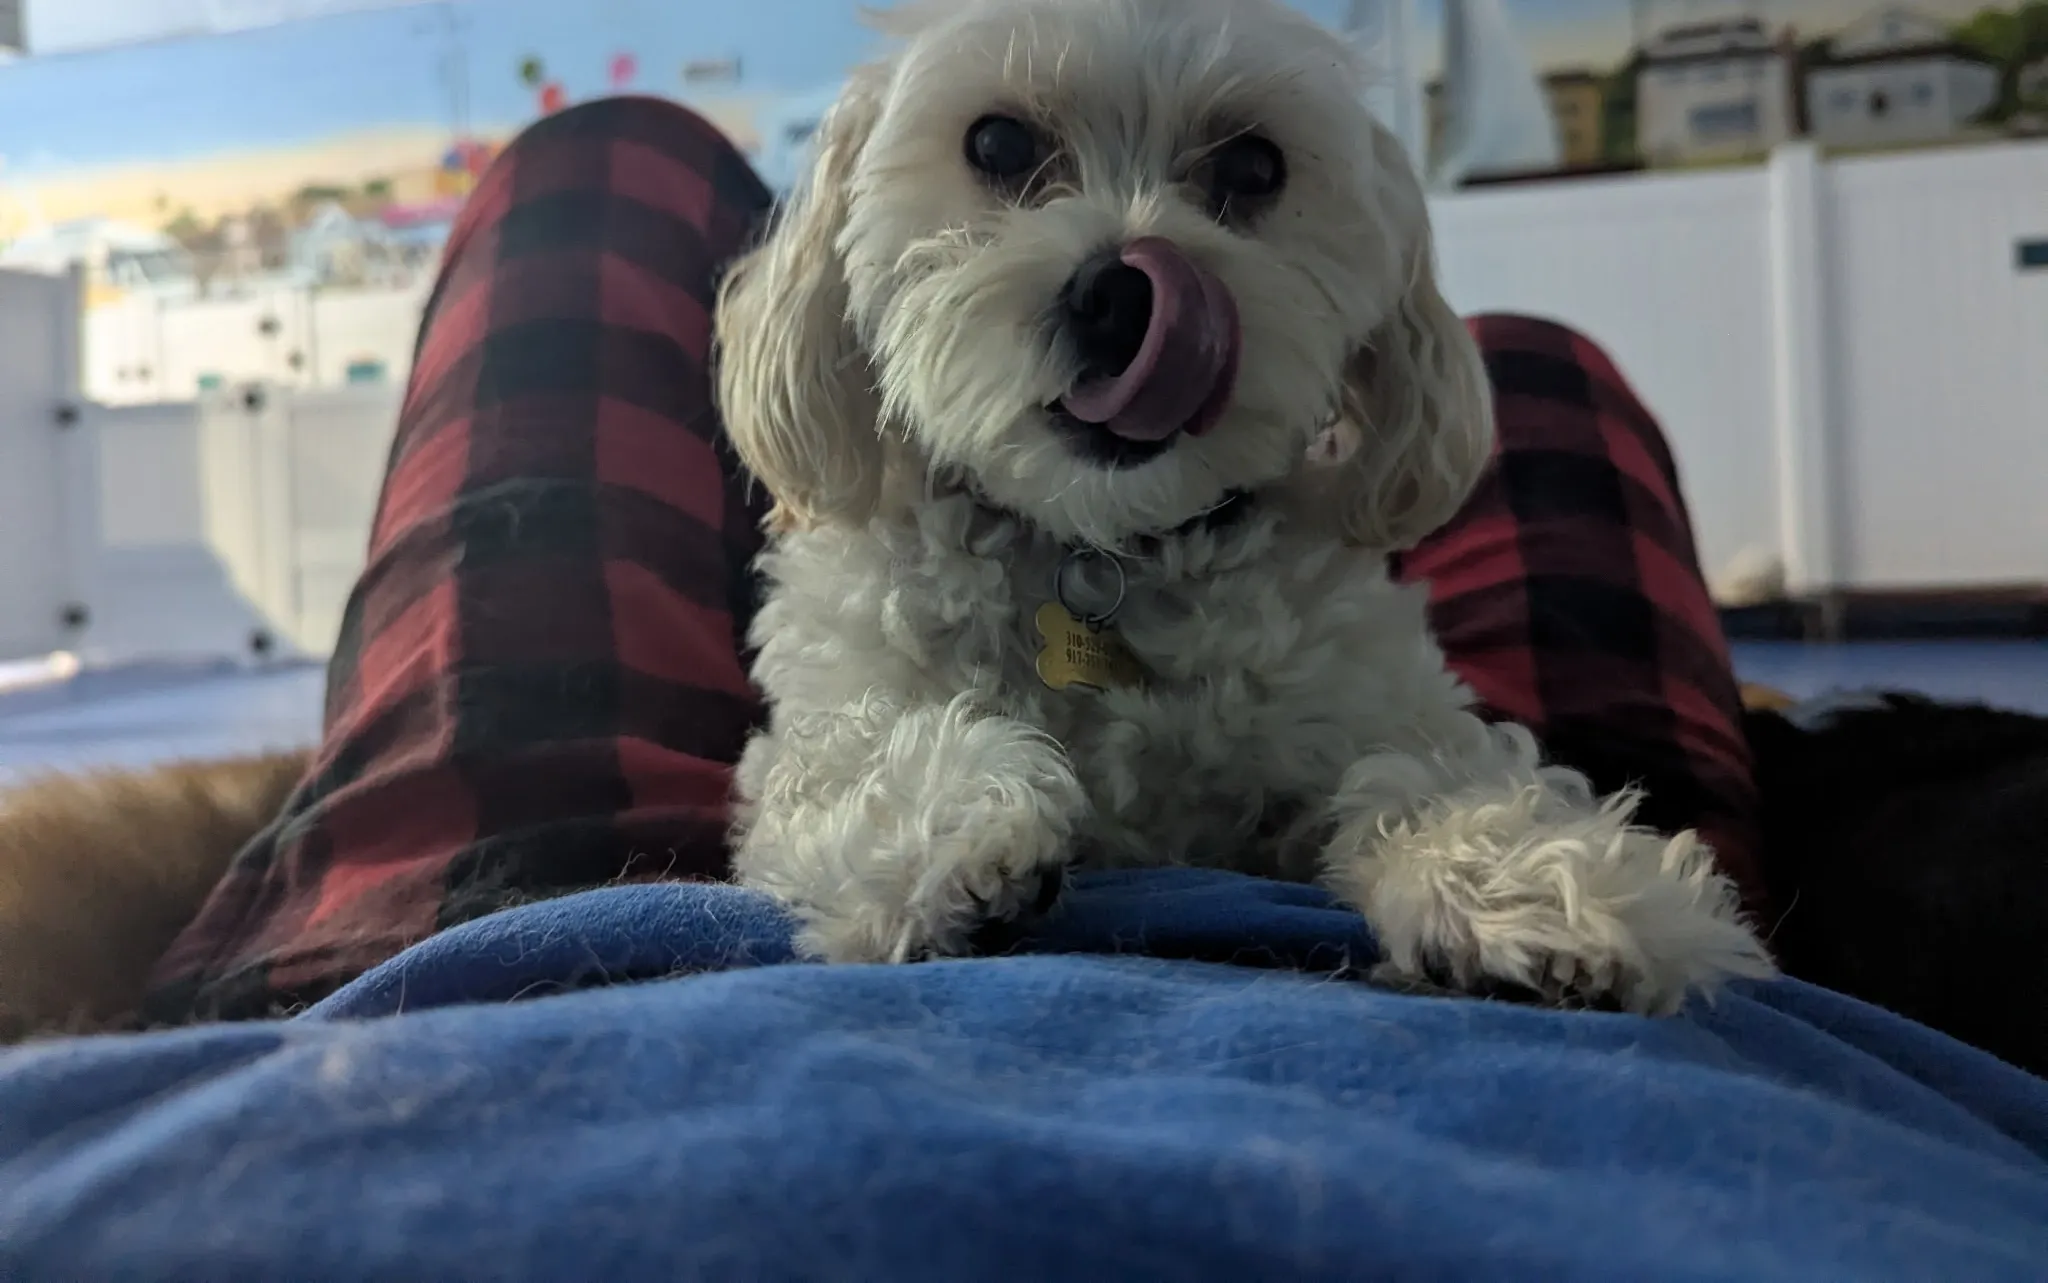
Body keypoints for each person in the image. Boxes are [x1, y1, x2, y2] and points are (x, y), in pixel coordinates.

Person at [143, 96, 1765, 1025]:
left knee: (604, 171)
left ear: (1363, 306)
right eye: (1006, 149)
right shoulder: (874, 577)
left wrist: (1446, 841)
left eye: (1244, 176)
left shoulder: (1314, 605)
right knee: (1541, 378)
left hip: (509, 1036)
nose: (1128, 256)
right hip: (1527, 1088)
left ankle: (361, 968)